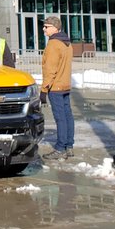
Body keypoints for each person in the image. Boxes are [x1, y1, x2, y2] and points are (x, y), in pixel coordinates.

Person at [40, 15, 74, 158]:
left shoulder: (54, 44)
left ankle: (60, 148)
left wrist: (43, 89)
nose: (43, 29)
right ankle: (69, 146)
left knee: (60, 117)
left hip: (55, 87)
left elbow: (50, 69)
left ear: (54, 28)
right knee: (67, 116)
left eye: (46, 27)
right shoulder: (67, 42)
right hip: (65, 84)